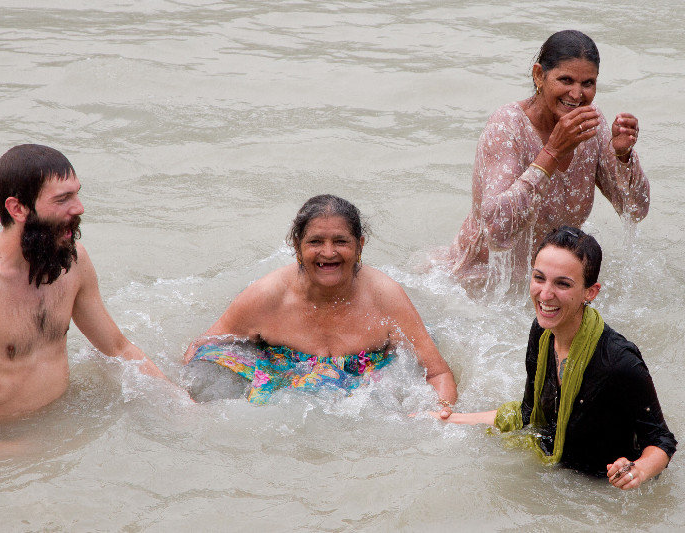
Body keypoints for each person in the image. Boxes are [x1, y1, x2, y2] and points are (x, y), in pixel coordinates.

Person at [0, 144, 169, 443]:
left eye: (77, 193)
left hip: (64, 424)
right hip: (1, 438)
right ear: (17, 209)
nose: (79, 207)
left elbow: (118, 348)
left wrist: (176, 400)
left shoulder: (73, 262)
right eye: (63, 199)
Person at [435, 227, 676, 489]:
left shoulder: (619, 362)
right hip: (557, 473)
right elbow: (529, 415)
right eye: (539, 278)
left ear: (590, 292)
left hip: (601, 491)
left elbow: (662, 441)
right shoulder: (541, 333)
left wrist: (637, 471)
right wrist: (451, 419)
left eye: (562, 284)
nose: (545, 294)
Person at [184, 194, 457, 411]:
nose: (328, 253)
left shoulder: (386, 297)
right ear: (297, 246)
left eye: (341, 241)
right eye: (316, 242)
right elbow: (203, 348)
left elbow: (437, 373)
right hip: (280, 372)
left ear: (360, 245)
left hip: (368, 380)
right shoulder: (267, 296)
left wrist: (441, 411)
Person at [440, 30, 649, 289]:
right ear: (539, 75)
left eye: (588, 83)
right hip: (477, 285)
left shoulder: (590, 126)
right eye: (566, 80)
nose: (576, 94)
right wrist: (551, 153)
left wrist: (623, 156)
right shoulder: (507, 127)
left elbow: (636, 210)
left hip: (548, 285)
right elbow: (496, 231)